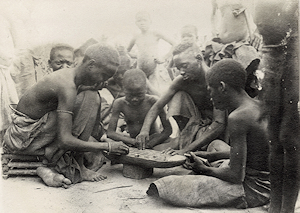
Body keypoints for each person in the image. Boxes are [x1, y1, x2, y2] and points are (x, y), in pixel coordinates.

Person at [147, 59, 270, 209]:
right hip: (267, 181)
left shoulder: (237, 117)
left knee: (168, 185)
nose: (210, 97)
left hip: (253, 190)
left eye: (210, 90)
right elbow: (253, 153)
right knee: (215, 146)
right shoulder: (256, 105)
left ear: (222, 87)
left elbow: (236, 176)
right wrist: (206, 155)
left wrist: (204, 170)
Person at [3, 43, 130, 188]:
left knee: (90, 96)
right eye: (103, 75)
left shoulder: (73, 80)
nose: (104, 81)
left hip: (33, 133)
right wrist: (106, 146)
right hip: (22, 139)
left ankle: (70, 165)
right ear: (91, 65)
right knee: (90, 98)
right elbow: (65, 140)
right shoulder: (66, 85)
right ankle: (62, 165)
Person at [136, 42, 226, 155]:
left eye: (185, 66)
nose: (181, 72)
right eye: (178, 68)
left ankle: (188, 145)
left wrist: (185, 150)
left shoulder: (215, 80)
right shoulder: (181, 81)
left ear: (199, 58)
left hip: (218, 130)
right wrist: (144, 130)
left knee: (215, 148)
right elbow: (158, 106)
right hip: (197, 125)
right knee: (178, 96)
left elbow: (219, 124)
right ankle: (185, 138)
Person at [254, 1, 300, 212]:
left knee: (288, 139)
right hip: (275, 66)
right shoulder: (269, 43)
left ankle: (287, 209)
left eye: (262, 23)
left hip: (293, 72)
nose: (259, 26)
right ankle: (275, 206)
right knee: (274, 140)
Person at [204, 0, 261, 98]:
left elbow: (258, 11)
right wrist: (214, 29)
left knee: (241, 83)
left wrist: (256, 32)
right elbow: (213, 13)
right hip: (220, 43)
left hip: (238, 43)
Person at [107, 69, 172, 150]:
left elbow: (168, 130)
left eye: (140, 95)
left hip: (154, 140)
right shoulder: (119, 103)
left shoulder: (153, 101)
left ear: (146, 89)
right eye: (130, 95)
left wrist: (153, 143)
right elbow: (110, 133)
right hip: (132, 142)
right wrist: (132, 141)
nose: (135, 99)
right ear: (124, 90)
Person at [127, 11, 175, 95]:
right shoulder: (136, 36)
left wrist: (164, 58)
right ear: (136, 23)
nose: (142, 23)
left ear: (150, 21)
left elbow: (174, 44)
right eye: (139, 21)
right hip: (140, 69)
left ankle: (163, 107)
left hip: (153, 68)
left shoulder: (155, 33)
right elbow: (127, 51)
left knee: (154, 93)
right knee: (140, 93)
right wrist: (137, 56)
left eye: (145, 20)